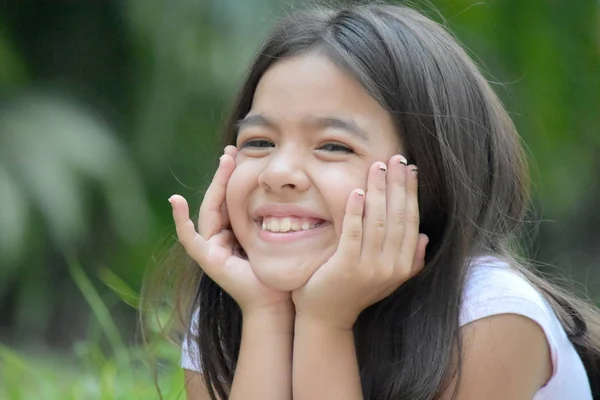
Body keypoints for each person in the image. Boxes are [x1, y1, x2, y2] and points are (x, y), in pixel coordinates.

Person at [159, 2, 600, 399]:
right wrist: (265, 316)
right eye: (258, 142)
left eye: (334, 146)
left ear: (427, 174)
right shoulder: (235, 308)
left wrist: (325, 324)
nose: (277, 174)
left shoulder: (491, 315)